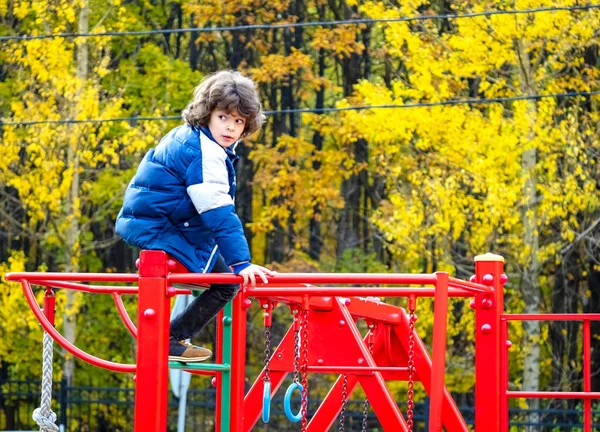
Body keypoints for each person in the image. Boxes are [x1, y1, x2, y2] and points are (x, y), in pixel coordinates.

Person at [116, 70, 275, 363]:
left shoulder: (191, 137)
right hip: (162, 227)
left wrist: (242, 263)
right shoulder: (206, 153)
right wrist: (242, 263)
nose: (230, 127)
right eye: (223, 117)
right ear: (207, 114)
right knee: (228, 282)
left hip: (164, 222)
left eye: (238, 121)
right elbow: (218, 213)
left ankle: (171, 337)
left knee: (226, 278)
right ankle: (170, 338)